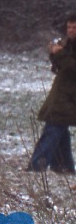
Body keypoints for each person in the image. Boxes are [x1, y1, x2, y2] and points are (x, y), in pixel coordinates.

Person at [28, 14, 76, 173]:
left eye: (75, 28)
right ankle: (64, 167)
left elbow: (71, 67)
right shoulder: (68, 45)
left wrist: (60, 54)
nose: (71, 31)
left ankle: (36, 167)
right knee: (59, 129)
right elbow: (61, 66)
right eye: (69, 27)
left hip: (70, 97)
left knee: (54, 128)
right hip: (62, 93)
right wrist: (55, 53)